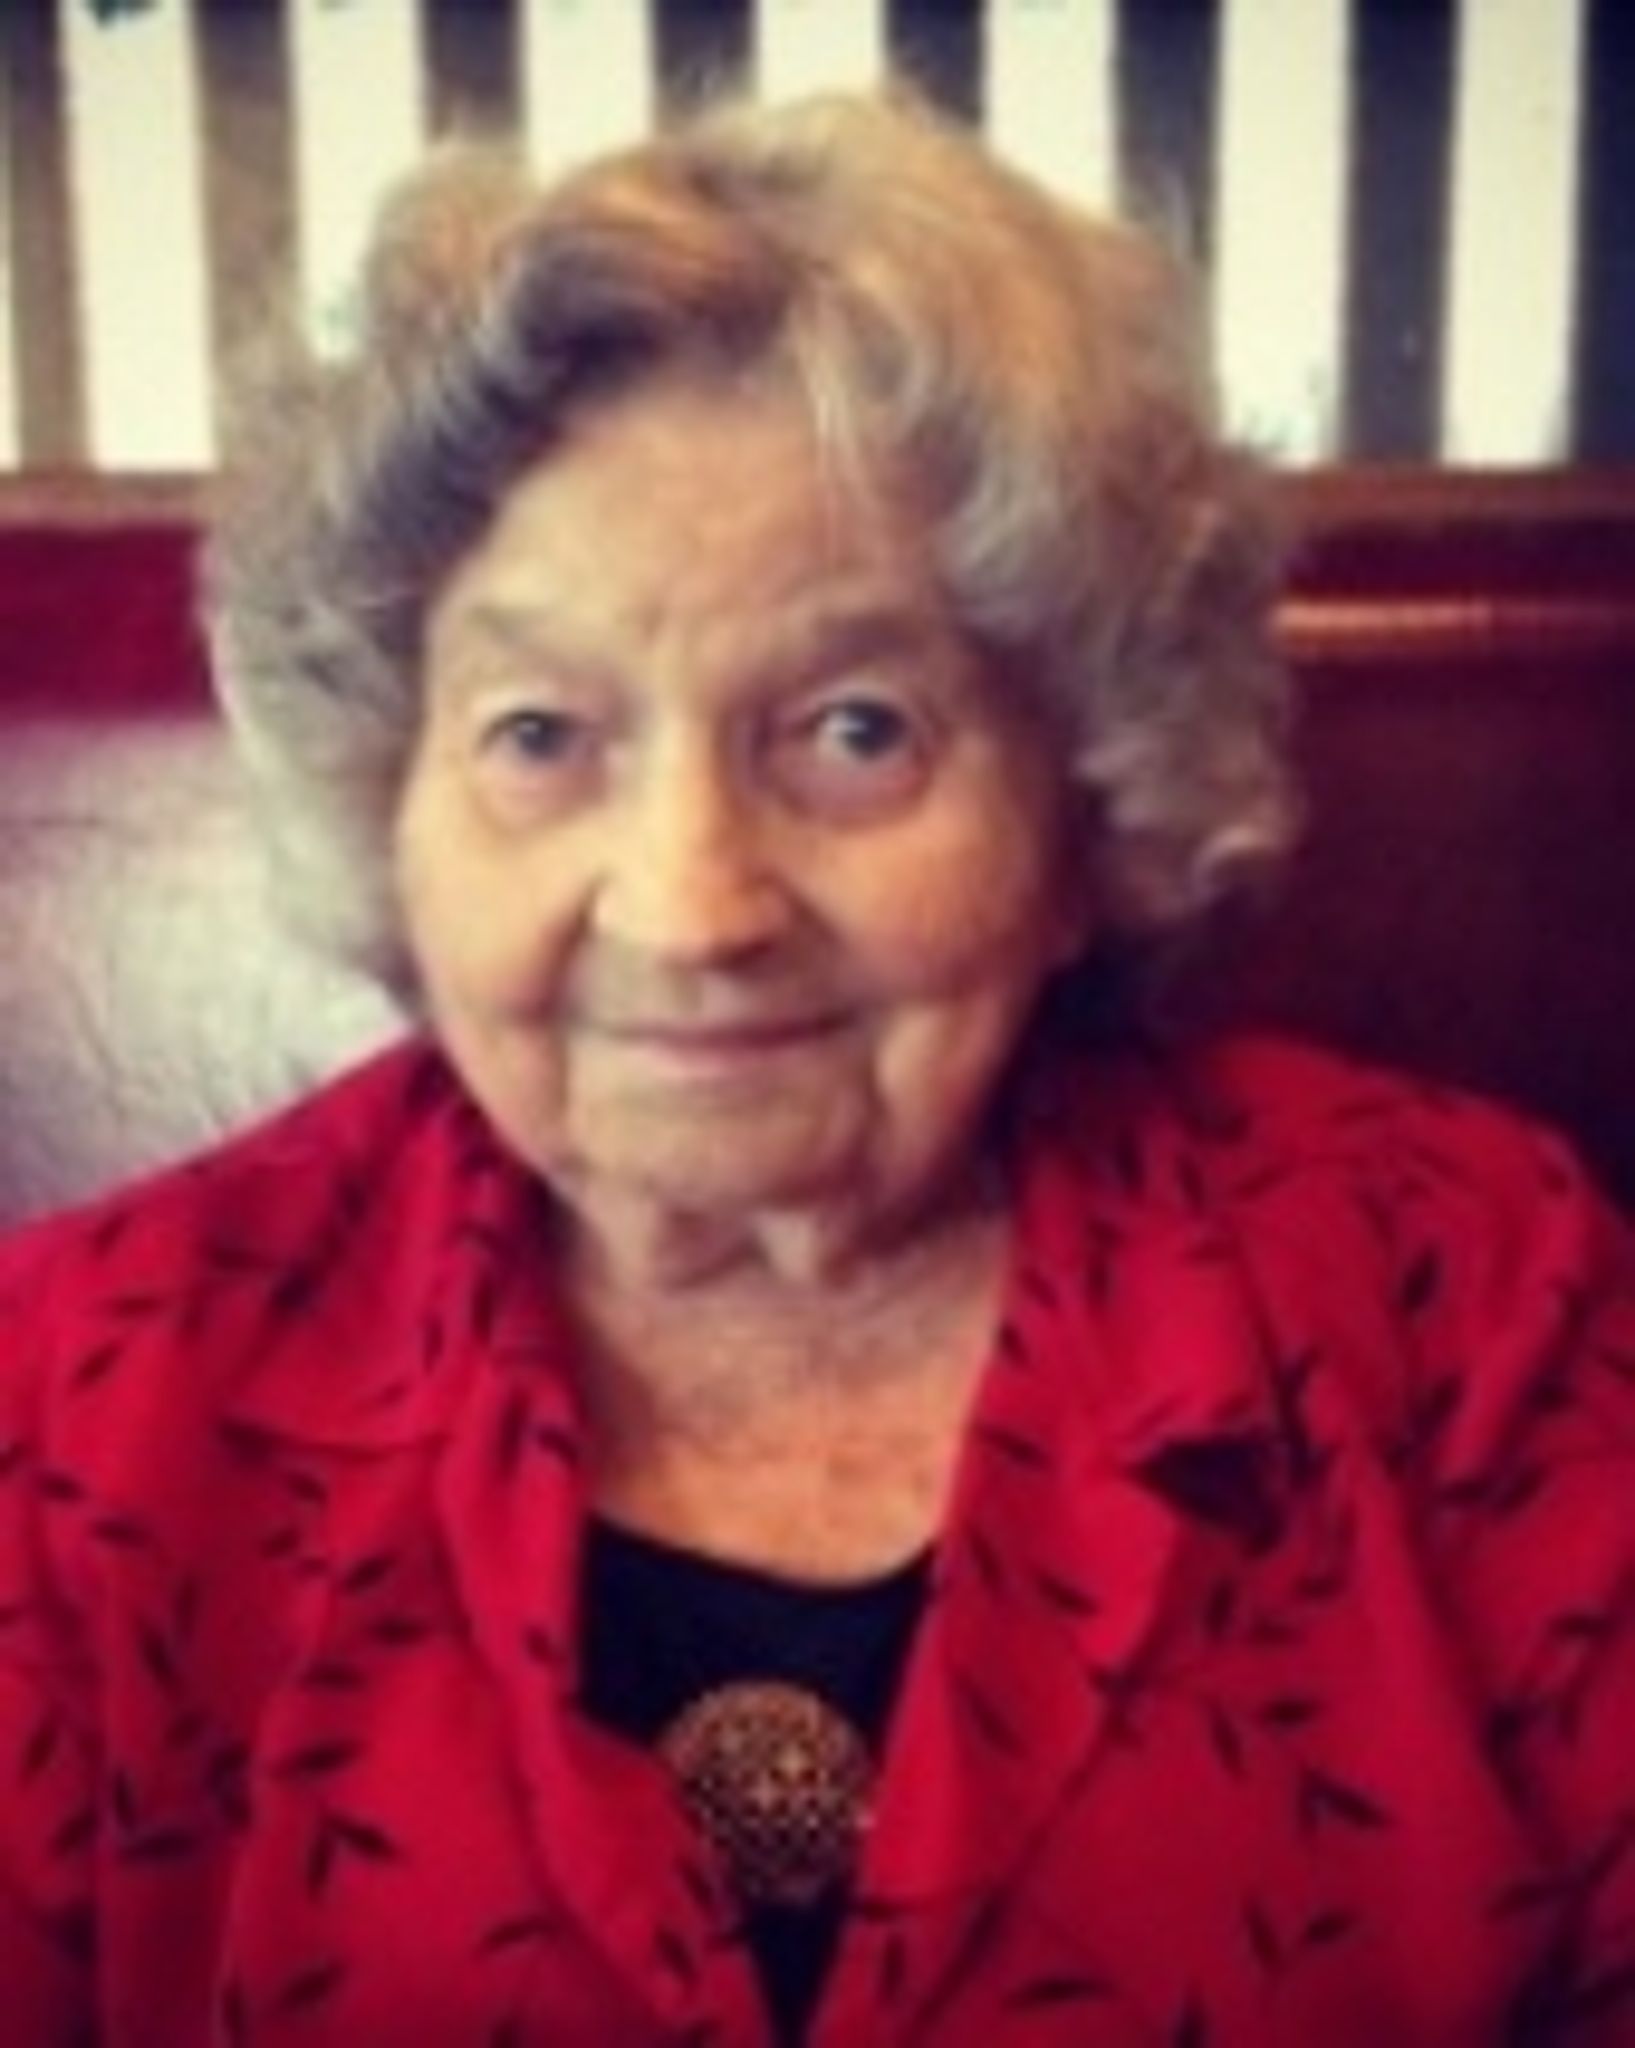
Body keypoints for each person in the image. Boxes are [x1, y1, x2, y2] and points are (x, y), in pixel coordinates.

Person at [1, 87, 1631, 2048]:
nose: (691, 906)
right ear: (390, 807)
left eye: (856, 729)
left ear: (1082, 805)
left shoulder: (1459, 1299)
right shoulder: (80, 1407)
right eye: (539, 736)